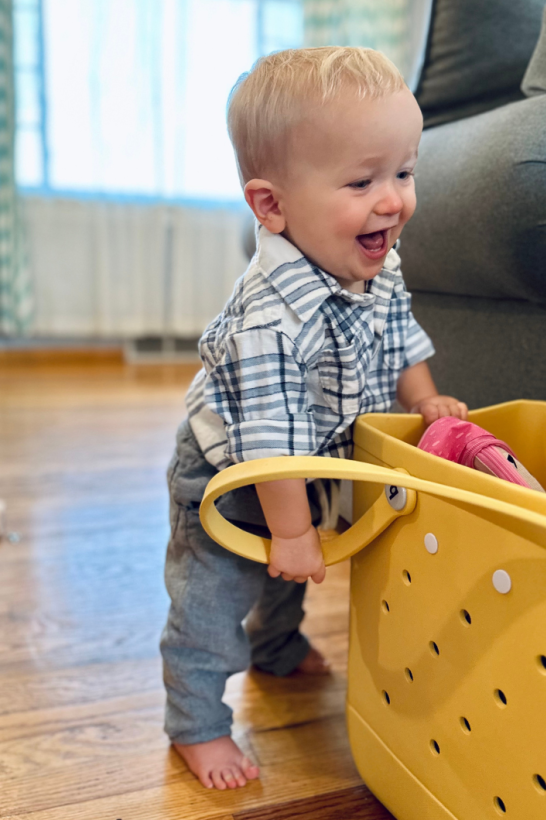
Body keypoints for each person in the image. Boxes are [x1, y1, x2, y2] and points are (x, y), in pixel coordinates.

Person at [160, 45, 468, 792]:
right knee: (219, 594)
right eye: (362, 181)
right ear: (271, 206)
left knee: (289, 576)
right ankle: (195, 725)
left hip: (308, 459)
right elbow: (269, 441)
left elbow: (397, 331)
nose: (391, 200)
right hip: (232, 473)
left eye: (403, 172)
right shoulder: (269, 320)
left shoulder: (375, 264)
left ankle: (277, 649)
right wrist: (292, 532)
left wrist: (423, 398)